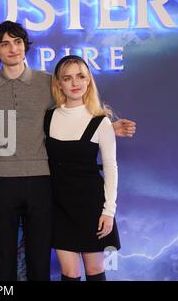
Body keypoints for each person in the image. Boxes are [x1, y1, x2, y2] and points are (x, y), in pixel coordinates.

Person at [0, 21, 135, 281]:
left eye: (17, 42)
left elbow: (77, 106)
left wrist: (107, 126)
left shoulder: (46, 83)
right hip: (2, 179)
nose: (13, 49)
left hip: (42, 181)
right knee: (3, 255)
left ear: (25, 46)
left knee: (38, 256)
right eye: (5, 44)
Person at [44, 55, 120, 281]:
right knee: (69, 273)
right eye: (67, 78)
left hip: (91, 208)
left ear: (88, 81)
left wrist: (109, 211)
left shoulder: (101, 121)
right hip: (58, 207)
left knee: (94, 271)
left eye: (80, 77)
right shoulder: (48, 117)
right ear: (58, 84)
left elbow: (111, 168)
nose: (75, 83)